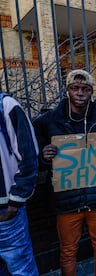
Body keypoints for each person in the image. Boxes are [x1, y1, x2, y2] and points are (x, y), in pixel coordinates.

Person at [33, 69, 96, 276]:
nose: (80, 93)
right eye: (75, 88)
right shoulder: (48, 121)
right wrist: (42, 156)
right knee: (68, 250)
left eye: (85, 89)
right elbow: (31, 152)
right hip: (66, 201)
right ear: (68, 91)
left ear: (91, 92)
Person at [0, 92, 39, 275]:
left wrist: (15, 201)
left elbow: (29, 157)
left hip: (6, 212)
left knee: (21, 269)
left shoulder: (7, 106)